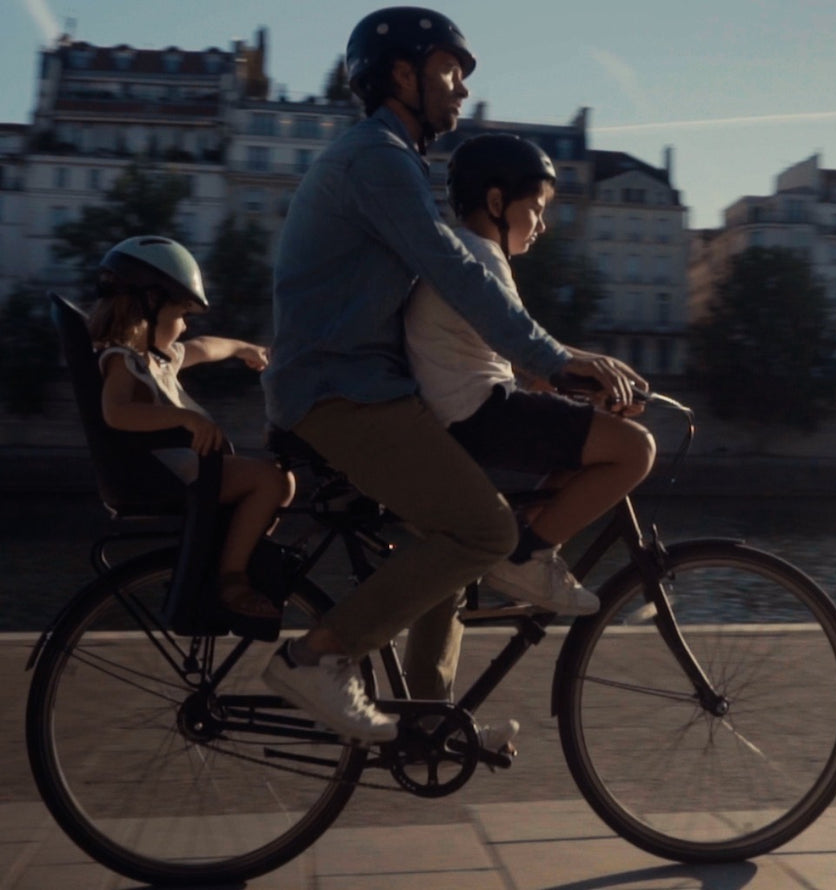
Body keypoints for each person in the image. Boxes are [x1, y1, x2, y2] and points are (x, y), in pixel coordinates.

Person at [261, 7, 643, 746]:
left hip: (362, 386)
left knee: (453, 532)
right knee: (486, 528)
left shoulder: (389, 160)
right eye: (449, 70)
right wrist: (555, 359)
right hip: (339, 393)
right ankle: (315, 657)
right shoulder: (376, 158)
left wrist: (544, 368)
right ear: (402, 75)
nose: (461, 88)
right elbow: (455, 272)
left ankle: (430, 717)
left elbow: (453, 287)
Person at [405, 132, 656, 615]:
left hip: (466, 414)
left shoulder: (466, 253)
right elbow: (527, 354)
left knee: (582, 457)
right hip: (480, 412)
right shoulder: (479, 257)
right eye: (537, 208)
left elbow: (530, 357)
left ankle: (528, 544)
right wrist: (591, 374)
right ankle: (526, 556)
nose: (543, 223)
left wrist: (598, 378)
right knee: (635, 449)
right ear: (497, 201)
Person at [89, 235, 295, 641]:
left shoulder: (158, 358)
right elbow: (116, 412)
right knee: (272, 480)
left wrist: (244, 349)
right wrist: (186, 419)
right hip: (175, 474)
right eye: (181, 313)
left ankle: (227, 561)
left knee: (280, 484)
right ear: (148, 305)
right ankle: (230, 578)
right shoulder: (123, 360)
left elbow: (205, 347)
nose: (186, 325)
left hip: (192, 470)